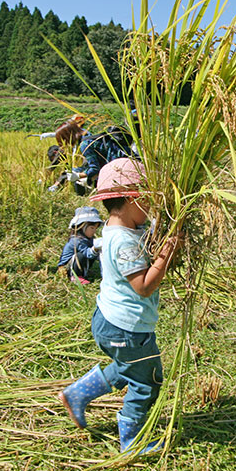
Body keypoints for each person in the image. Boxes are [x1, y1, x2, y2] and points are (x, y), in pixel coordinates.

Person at [58, 158, 181, 453]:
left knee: (128, 368)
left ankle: (76, 394)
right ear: (131, 199)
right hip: (127, 327)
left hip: (110, 321)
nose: (150, 208)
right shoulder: (124, 241)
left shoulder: (120, 229)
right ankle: (132, 439)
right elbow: (143, 286)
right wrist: (166, 255)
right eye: (147, 201)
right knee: (147, 382)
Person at [57, 206, 103, 284]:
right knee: (81, 255)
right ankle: (75, 276)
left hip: (77, 264)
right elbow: (88, 254)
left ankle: (83, 272)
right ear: (82, 226)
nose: (94, 231)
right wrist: (95, 248)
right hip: (67, 267)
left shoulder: (88, 238)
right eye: (92, 228)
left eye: (95, 228)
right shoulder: (77, 240)